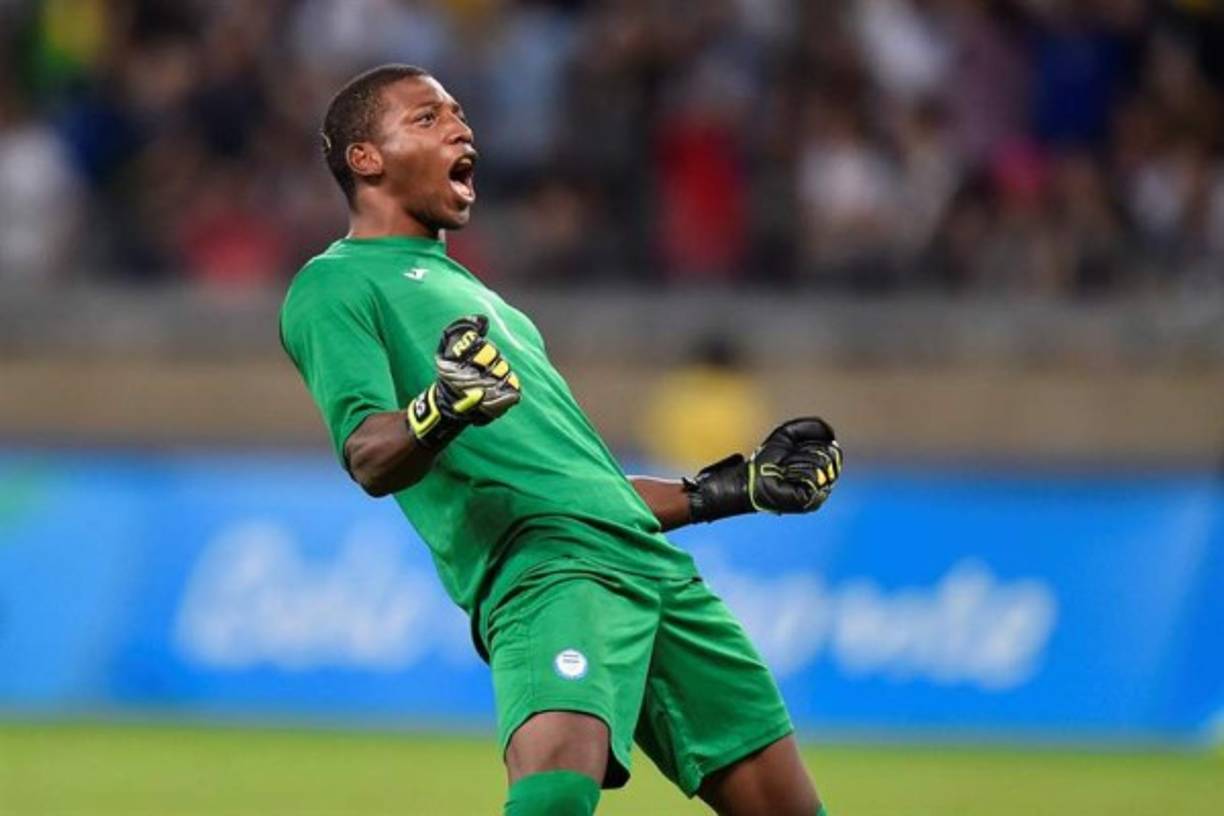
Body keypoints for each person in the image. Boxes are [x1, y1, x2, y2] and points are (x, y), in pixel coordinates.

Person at [280, 64, 844, 816]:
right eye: (427, 118)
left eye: (460, 115)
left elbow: (590, 490)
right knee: (553, 799)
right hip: (549, 574)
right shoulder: (335, 285)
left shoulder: (488, 304)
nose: (460, 128)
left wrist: (734, 488)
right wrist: (441, 408)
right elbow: (369, 455)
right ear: (365, 159)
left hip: (655, 572)